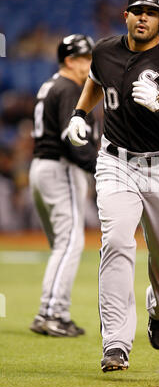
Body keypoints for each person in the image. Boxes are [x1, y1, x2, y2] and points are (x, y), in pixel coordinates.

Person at [67, 0, 159, 370]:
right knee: (116, 242)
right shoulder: (104, 51)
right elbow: (96, 80)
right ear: (126, 16)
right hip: (115, 162)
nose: (143, 16)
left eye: (151, 11)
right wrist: (80, 114)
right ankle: (116, 343)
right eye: (137, 10)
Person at [29, 34, 98, 337]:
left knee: (63, 243)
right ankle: (51, 313)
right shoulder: (70, 87)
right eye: (87, 58)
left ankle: (56, 311)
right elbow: (74, 139)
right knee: (70, 242)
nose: (91, 64)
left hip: (42, 167)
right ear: (70, 60)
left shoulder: (51, 84)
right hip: (61, 169)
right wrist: (100, 169)